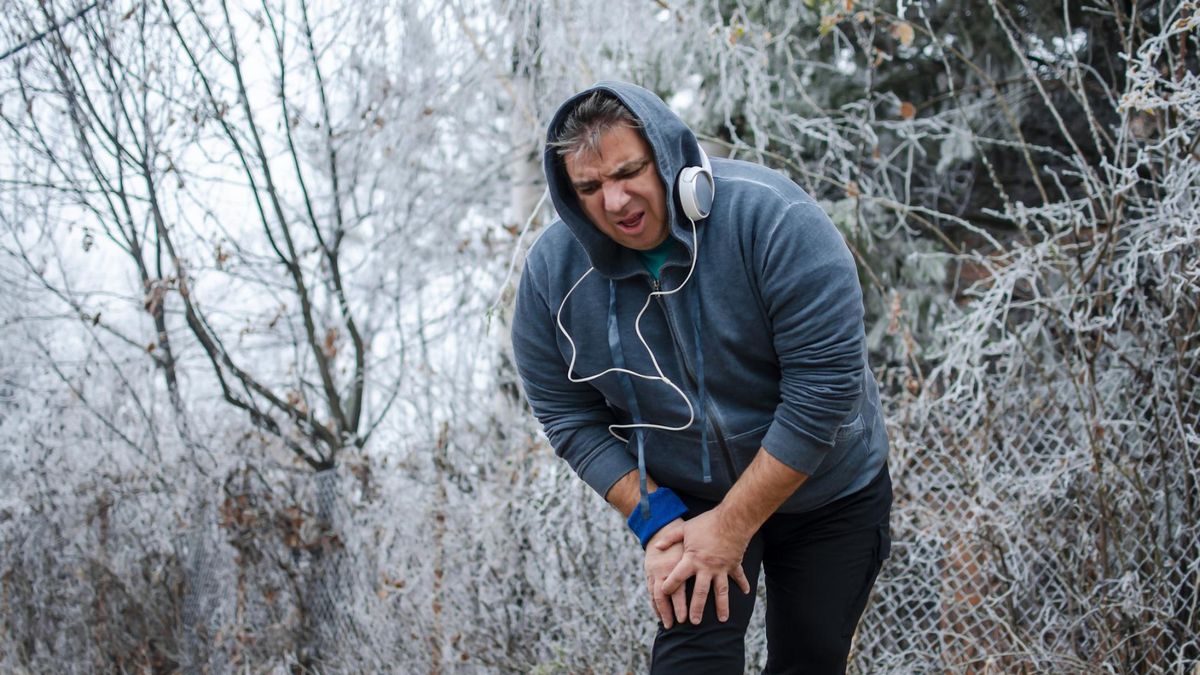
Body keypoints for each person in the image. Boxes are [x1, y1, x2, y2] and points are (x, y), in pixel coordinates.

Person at [511, 81, 892, 674]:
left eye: (629, 172)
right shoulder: (550, 278)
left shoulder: (776, 221)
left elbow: (823, 393)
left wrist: (734, 525)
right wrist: (654, 515)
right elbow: (568, 415)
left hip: (826, 488)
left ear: (668, 158)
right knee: (690, 664)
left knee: (809, 659)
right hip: (687, 497)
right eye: (589, 188)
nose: (614, 201)